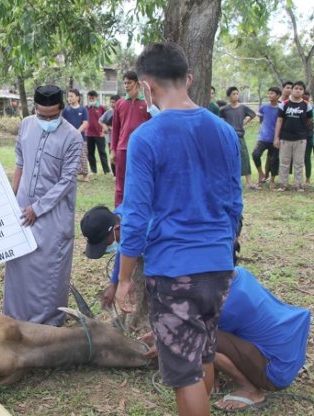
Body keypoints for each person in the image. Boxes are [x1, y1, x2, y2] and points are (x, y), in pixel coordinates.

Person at [115, 42, 242, 416]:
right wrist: (222, 245)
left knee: (184, 375)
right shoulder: (223, 131)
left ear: (148, 87)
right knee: (202, 353)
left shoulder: (146, 137)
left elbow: (136, 216)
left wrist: (123, 278)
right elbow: (235, 203)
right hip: (218, 266)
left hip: (174, 271)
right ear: (187, 79)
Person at [3, 85, 82, 326]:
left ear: (62, 110)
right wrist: (12, 196)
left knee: (49, 273)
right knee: (19, 267)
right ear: (34, 108)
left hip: (53, 215)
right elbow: (20, 161)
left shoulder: (72, 136)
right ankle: (15, 321)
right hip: (22, 209)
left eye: (53, 116)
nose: (47, 120)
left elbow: (67, 181)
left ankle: (47, 327)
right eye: (42, 115)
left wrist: (37, 208)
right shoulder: (26, 125)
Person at [212, 266, 310, 412]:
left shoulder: (226, 304)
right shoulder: (240, 273)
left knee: (196, 338)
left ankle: (250, 390)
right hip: (286, 357)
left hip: (274, 373)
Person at [110, 70, 151, 207]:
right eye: (125, 83)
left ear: (137, 83)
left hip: (141, 150)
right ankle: (119, 211)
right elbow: (115, 129)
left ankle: (138, 208)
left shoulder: (147, 104)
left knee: (139, 180)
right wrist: (113, 150)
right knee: (120, 183)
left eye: (129, 83)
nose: (126, 86)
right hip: (122, 148)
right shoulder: (120, 104)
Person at [274, 81, 313, 192]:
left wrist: (304, 131)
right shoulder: (284, 104)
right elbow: (279, 121)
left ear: (303, 91)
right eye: (296, 88)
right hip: (285, 138)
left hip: (301, 139)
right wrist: (276, 137)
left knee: (299, 163)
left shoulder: (306, 105)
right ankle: (283, 184)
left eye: (301, 89)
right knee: (284, 162)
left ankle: (298, 185)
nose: (298, 90)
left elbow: (309, 120)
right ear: (291, 90)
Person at [219, 86, 257, 189]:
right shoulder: (224, 109)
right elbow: (219, 119)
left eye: (237, 94)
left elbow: (253, 115)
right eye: (233, 94)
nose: (235, 96)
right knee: (229, 158)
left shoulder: (243, 108)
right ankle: (230, 180)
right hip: (228, 137)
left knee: (244, 157)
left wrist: (245, 122)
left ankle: (249, 182)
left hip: (240, 136)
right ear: (229, 96)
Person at [252, 87, 281, 187]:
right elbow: (261, 119)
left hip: (275, 138)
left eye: (272, 93)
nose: (269, 95)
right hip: (263, 138)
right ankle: (261, 174)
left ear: (278, 96)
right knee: (255, 154)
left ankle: (272, 180)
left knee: (274, 160)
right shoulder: (263, 107)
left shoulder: (281, 108)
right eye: (268, 93)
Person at [62, 88, 90, 182]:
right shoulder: (66, 110)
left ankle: (85, 175)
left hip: (81, 137)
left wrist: (77, 132)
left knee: (82, 156)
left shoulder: (83, 109)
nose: (69, 98)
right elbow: (63, 123)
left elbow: (85, 123)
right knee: (71, 156)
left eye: (71, 96)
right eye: (68, 96)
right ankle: (74, 174)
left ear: (78, 97)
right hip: (69, 138)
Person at [84, 90, 110, 177]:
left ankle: (107, 170)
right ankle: (93, 170)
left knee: (102, 152)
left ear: (96, 98)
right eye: (90, 98)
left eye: (93, 98)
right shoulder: (85, 108)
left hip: (99, 134)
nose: (91, 99)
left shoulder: (102, 108)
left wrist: (105, 130)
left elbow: (106, 120)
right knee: (90, 153)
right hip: (88, 134)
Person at [99, 95, 120, 175]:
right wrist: (106, 127)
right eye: (111, 102)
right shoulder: (108, 112)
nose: (112, 104)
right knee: (112, 155)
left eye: (114, 102)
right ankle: (114, 173)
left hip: (121, 138)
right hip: (110, 139)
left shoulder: (122, 111)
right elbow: (100, 121)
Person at [303, 91, 313, 186]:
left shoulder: (311, 108)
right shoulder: (301, 109)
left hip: (310, 135)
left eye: (307, 98)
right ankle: (307, 178)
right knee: (307, 158)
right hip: (307, 137)